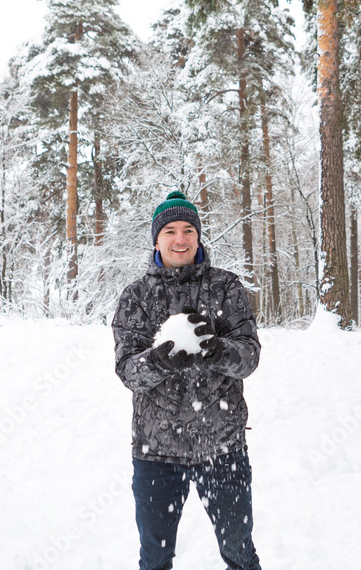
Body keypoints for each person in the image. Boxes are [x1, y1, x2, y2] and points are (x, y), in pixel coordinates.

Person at [112, 190, 262, 570]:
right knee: (155, 559)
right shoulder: (136, 297)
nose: (180, 239)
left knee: (240, 553)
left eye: (188, 230)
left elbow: (249, 358)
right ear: (156, 239)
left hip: (222, 448)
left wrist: (218, 350)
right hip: (156, 453)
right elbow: (129, 371)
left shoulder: (227, 288)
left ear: (198, 236)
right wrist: (159, 359)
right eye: (170, 231)